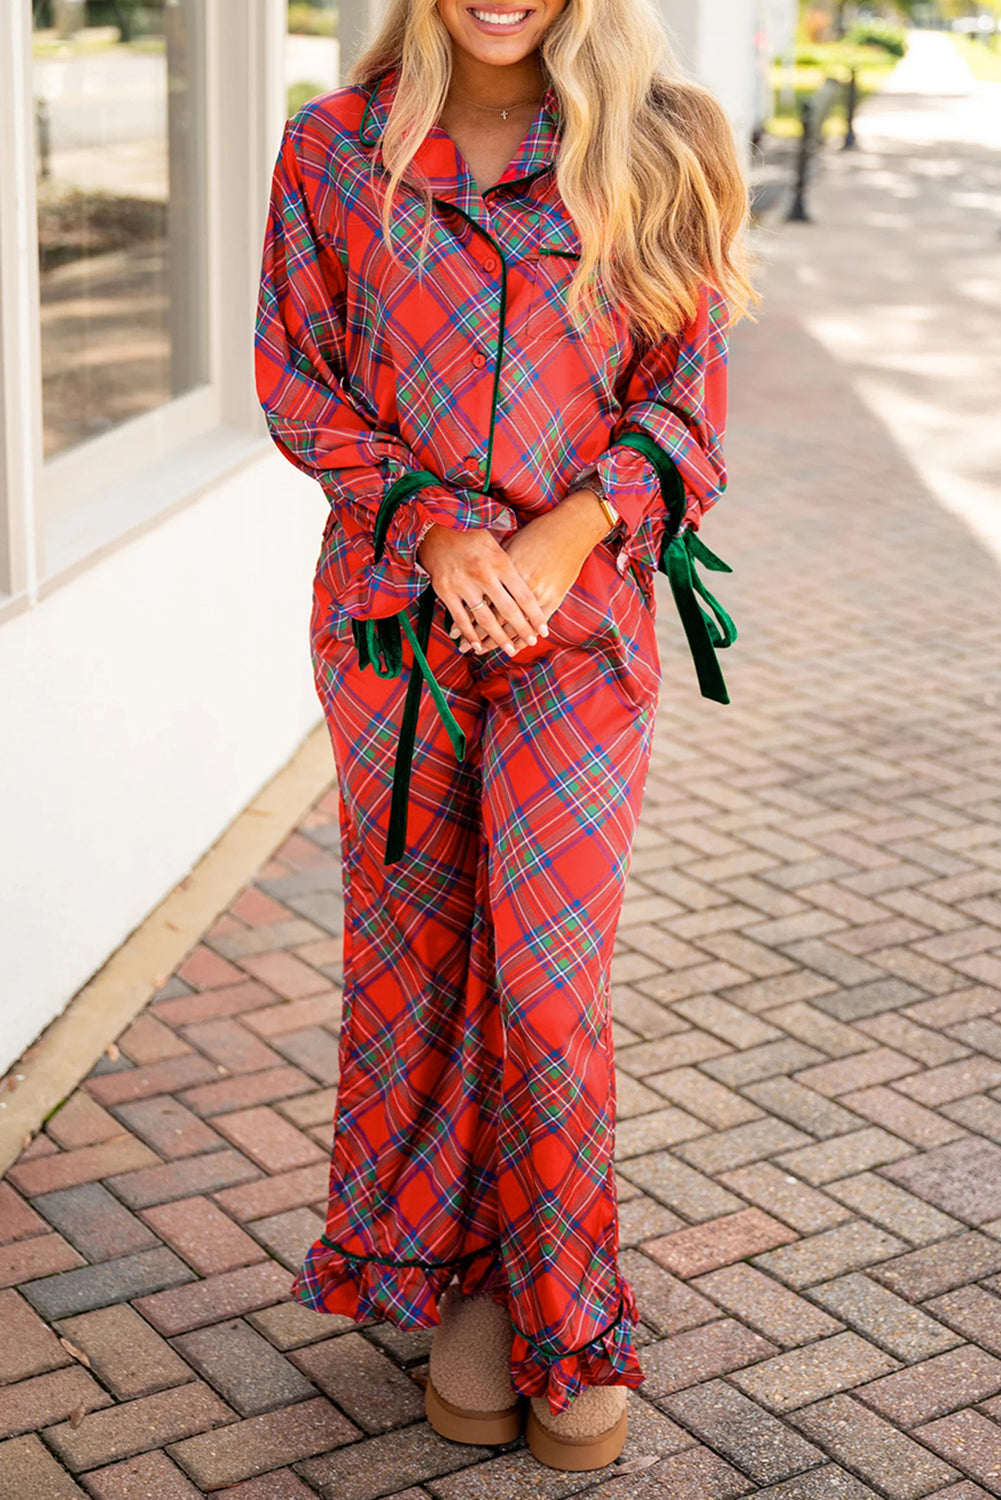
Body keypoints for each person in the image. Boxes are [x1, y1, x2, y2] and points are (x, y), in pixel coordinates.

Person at [255, 0, 753, 1472]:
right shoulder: (333, 150)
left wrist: (561, 536)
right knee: (417, 962)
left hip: (575, 626)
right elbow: (298, 377)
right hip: (394, 628)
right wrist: (431, 526)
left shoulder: (663, 142)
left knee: (541, 983)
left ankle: (567, 1313)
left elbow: (687, 407)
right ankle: (463, 1281)